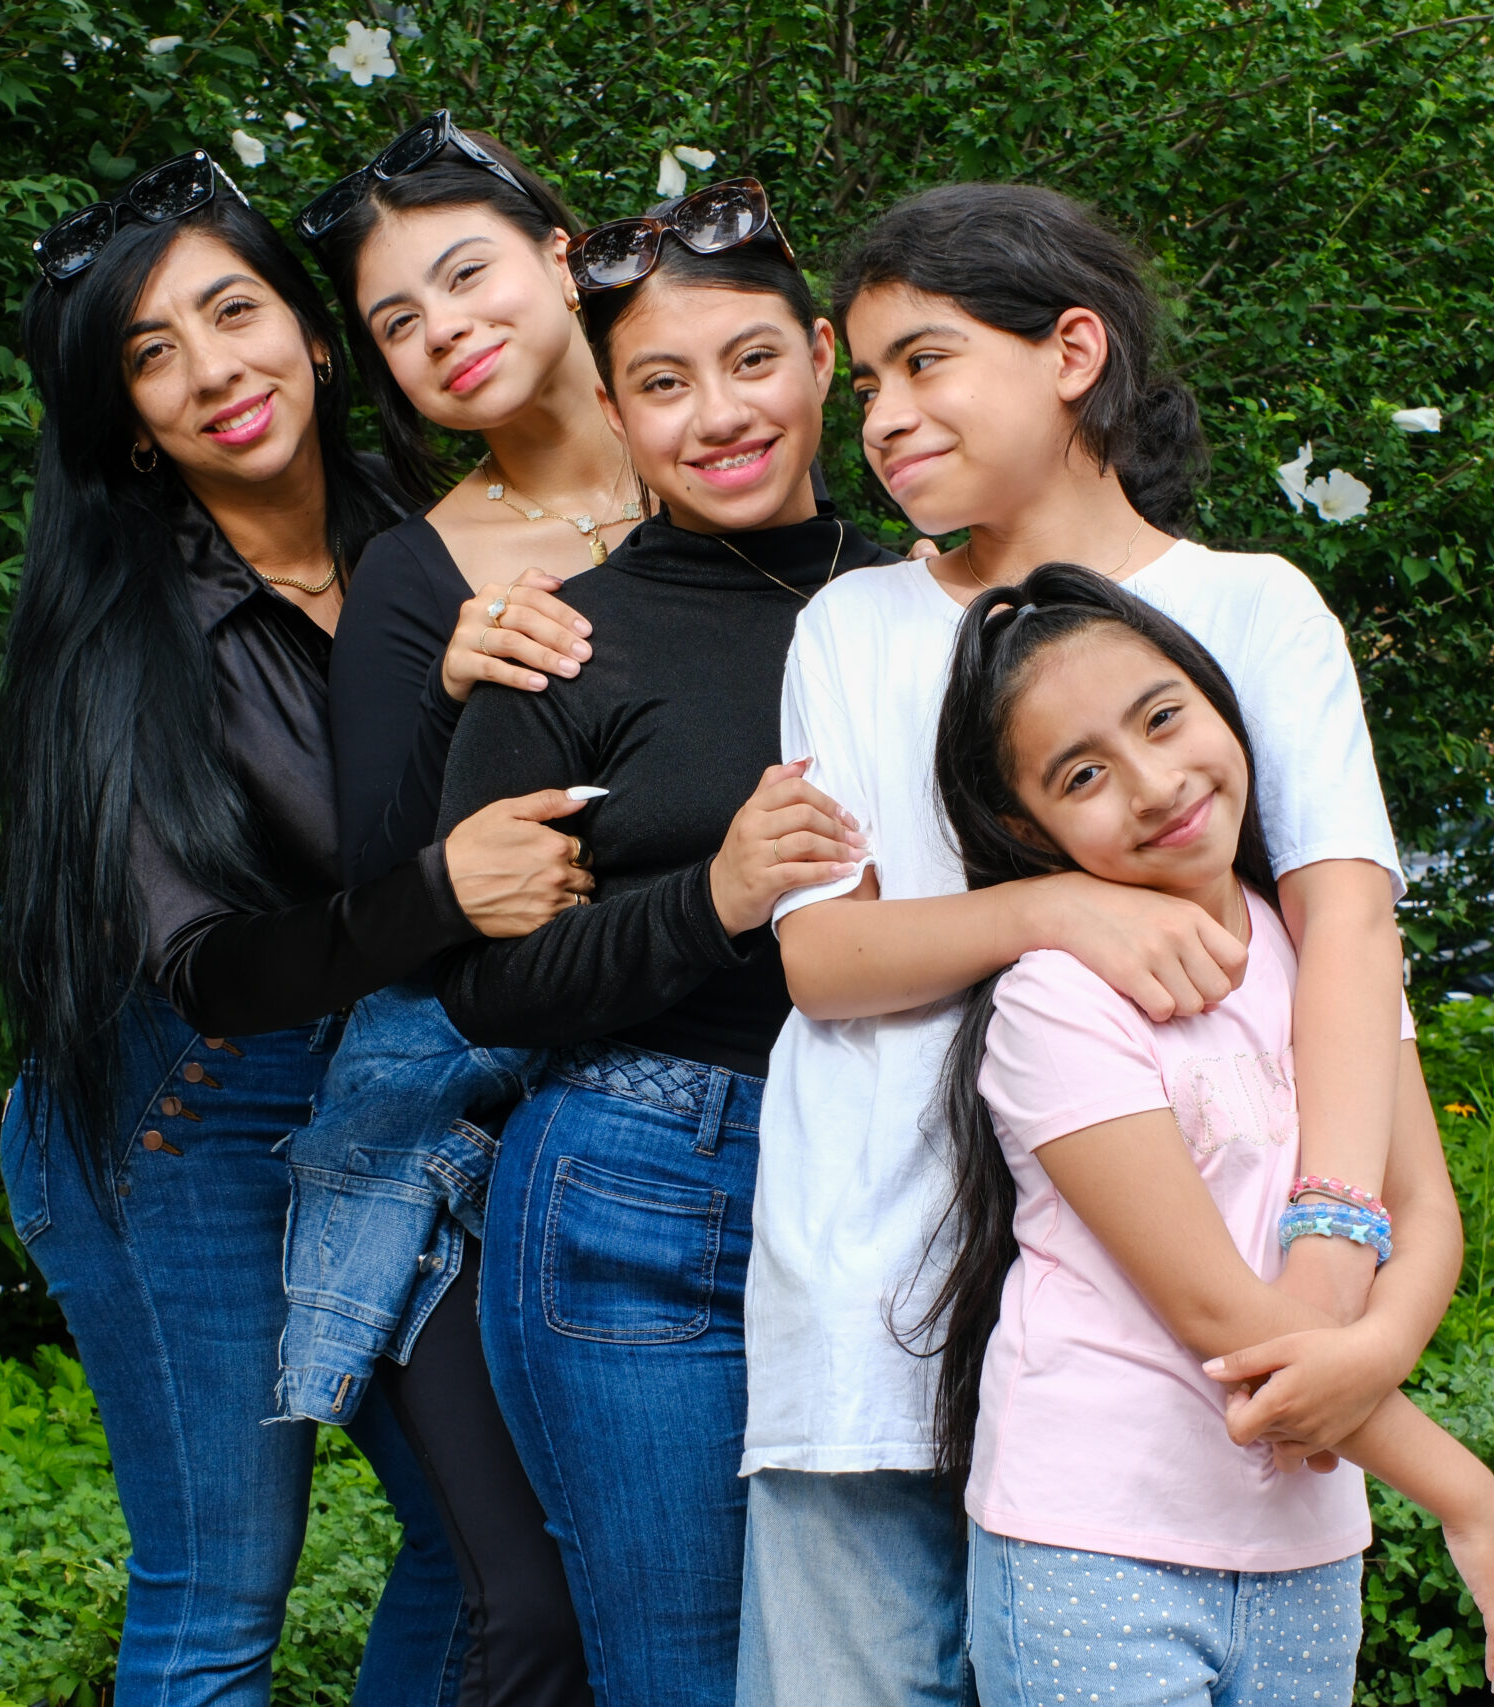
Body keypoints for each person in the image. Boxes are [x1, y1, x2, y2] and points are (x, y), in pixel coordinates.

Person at [737, 183, 1461, 1705]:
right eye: (867, 381)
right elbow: (826, 960)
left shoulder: (1247, 608)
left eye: (924, 361)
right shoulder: (853, 627)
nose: (883, 416)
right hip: (877, 1278)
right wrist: (1058, 905)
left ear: (1073, 350)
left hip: (1177, 1329)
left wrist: (1340, 1237)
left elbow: (1345, 920)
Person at [0, 147, 590, 1707]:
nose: (212, 372)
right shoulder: (122, 631)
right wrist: (445, 889)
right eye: (151, 353)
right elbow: (208, 966)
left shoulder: (434, 541)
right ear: (126, 418)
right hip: (182, 1111)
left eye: (235, 311)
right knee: (218, 1596)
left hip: (390, 1091)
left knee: (491, 1549)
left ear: (316, 336)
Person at [929, 562, 1494, 1707]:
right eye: (1085, 774)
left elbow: (1423, 1210)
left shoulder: (1321, 954)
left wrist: (1374, 1356)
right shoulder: (1057, 998)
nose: (1154, 783)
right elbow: (1219, 1317)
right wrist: (1465, 1492)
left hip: (1306, 1543)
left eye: (1163, 717)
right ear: (1029, 826)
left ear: (1220, 703)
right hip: (1097, 1540)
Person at [428, 178, 884, 1707]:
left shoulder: (930, 601)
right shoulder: (568, 637)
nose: (718, 415)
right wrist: (716, 893)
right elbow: (490, 987)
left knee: (900, 1658)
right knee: (685, 1672)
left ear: (824, 355)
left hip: (901, 1176)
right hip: (644, 1192)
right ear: (616, 417)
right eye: (663, 384)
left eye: (752, 360)